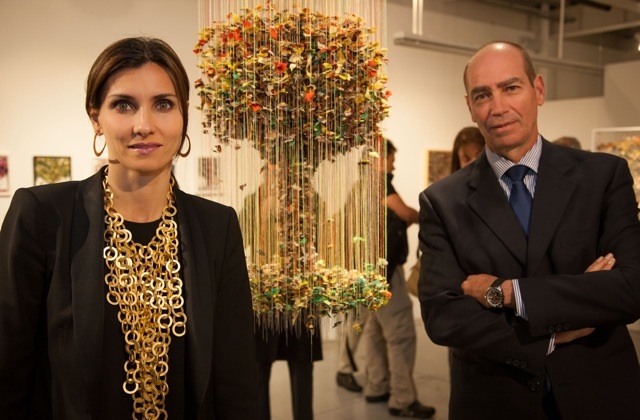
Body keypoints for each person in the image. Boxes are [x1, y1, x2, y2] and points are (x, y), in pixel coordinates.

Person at [0, 37, 258, 419]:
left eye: (163, 104)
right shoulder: (42, 216)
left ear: (184, 115)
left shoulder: (216, 227)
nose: (144, 125)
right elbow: (8, 372)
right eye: (123, 105)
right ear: (96, 118)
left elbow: (236, 379)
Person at [418, 40, 640, 419]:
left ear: (538, 90)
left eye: (511, 87)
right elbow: (443, 317)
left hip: (599, 393)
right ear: (470, 107)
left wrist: (506, 292)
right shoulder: (442, 201)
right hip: (493, 400)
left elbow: (630, 289)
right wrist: (555, 332)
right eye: (483, 95)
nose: (498, 107)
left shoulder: (603, 176)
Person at [362, 139, 436, 418]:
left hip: (367, 272)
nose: (393, 165)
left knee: (375, 330)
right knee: (401, 333)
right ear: (379, 158)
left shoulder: (361, 185)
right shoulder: (381, 184)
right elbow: (405, 212)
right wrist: (418, 216)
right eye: (391, 159)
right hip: (385, 271)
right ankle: (403, 399)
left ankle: (377, 385)